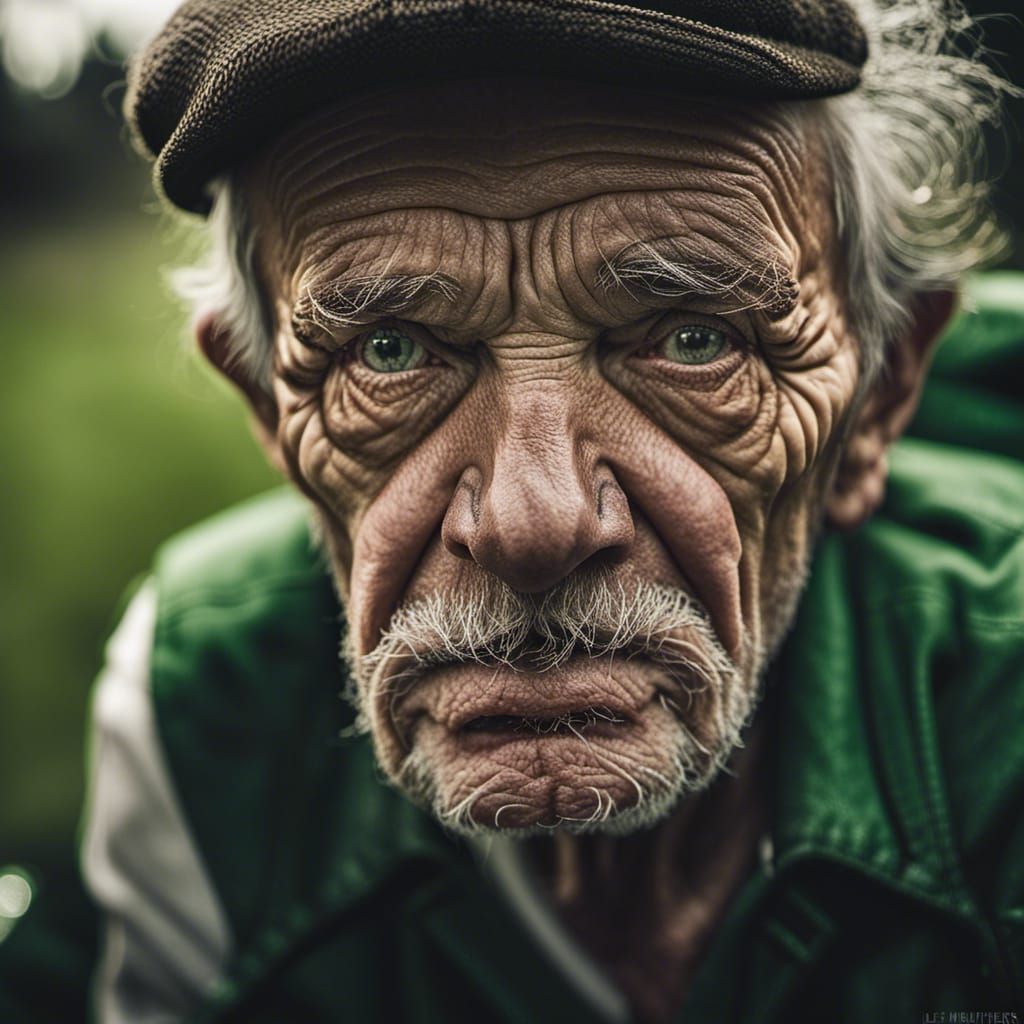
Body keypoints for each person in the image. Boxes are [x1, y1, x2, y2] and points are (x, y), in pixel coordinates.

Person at [2, 1, 1023, 1021]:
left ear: (880, 391)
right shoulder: (202, 715)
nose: (534, 523)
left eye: (692, 337)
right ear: (271, 405)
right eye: (388, 349)